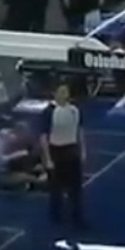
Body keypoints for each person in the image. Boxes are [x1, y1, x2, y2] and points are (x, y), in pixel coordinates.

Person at [43, 84, 86, 228]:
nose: (64, 94)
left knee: (76, 188)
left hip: (72, 150)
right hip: (56, 151)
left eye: (66, 91)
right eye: (61, 91)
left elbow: (80, 130)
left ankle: (77, 216)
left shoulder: (74, 109)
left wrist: (83, 149)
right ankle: (56, 216)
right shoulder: (49, 111)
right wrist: (48, 159)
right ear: (54, 93)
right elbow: (43, 136)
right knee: (56, 188)